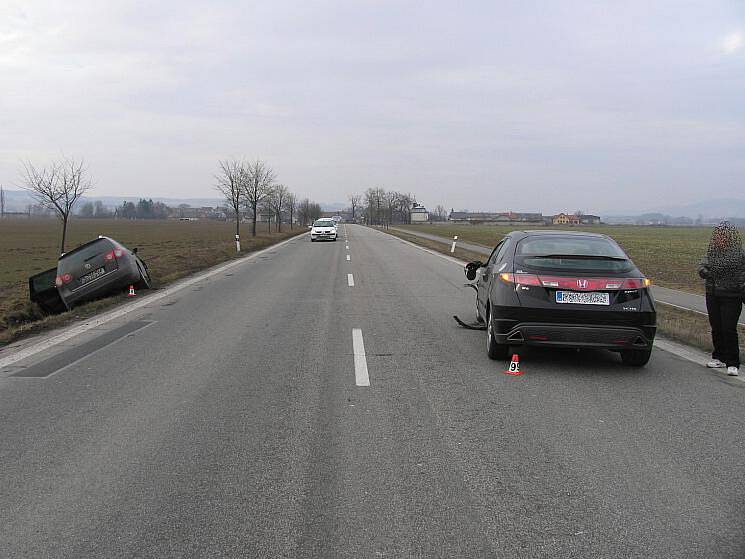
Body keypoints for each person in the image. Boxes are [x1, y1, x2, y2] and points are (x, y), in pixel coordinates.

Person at [698, 222, 745, 376]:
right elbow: (702, 267)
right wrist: (707, 272)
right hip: (713, 294)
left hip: (732, 296)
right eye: (717, 236)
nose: (719, 239)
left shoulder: (739, 254)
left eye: (722, 236)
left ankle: (733, 362)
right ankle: (719, 357)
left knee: (728, 328)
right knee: (716, 327)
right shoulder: (712, 253)